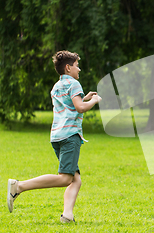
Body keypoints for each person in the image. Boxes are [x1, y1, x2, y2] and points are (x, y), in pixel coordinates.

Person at [6, 50, 102, 223]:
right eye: (77, 66)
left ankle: (67, 216)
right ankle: (19, 186)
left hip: (57, 136)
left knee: (76, 180)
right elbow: (80, 108)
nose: (79, 70)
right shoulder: (73, 84)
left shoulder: (57, 86)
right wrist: (93, 102)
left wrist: (84, 97)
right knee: (65, 178)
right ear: (68, 67)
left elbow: (69, 105)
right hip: (70, 136)